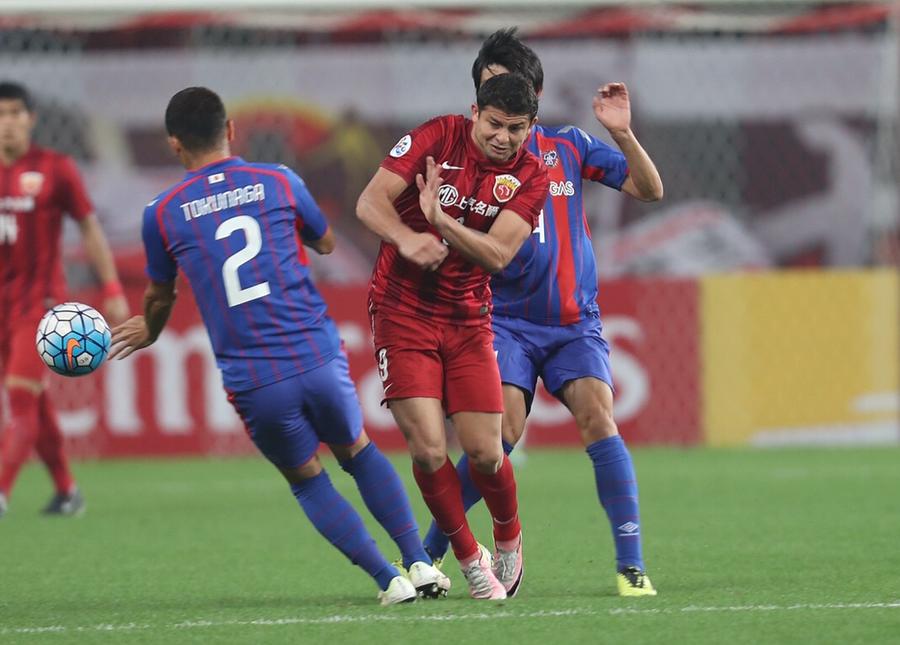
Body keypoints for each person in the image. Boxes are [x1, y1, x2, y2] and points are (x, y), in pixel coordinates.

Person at [109, 87, 448, 605]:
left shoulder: (162, 213)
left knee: (308, 479)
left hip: (255, 378)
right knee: (357, 451)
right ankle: (420, 562)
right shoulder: (279, 180)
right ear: (230, 131)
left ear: (175, 144)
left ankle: (389, 579)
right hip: (315, 354)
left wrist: (150, 330)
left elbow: (160, 294)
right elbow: (326, 241)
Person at [421, 29, 664, 597]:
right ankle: (428, 552)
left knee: (599, 418)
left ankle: (631, 566)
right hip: (503, 321)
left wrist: (623, 134)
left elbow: (650, 189)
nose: (505, 107)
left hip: (574, 321)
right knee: (496, 438)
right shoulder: (465, 164)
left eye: (517, 94)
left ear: (536, 97)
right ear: (477, 103)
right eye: (492, 92)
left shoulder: (570, 147)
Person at [356, 73, 549, 600]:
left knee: (487, 453)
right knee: (427, 448)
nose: (503, 137)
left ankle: (507, 536)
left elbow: (500, 254)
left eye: (515, 128)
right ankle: (467, 561)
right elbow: (369, 203)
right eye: (493, 123)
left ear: (530, 127)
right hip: (401, 311)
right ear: (474, 112)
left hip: (468, 318)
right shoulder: (435, 138)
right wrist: (405, 236)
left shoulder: (531, 174)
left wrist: (439, 222)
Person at [0, 81, 129, 519]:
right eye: (1, 114)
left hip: (40, 306)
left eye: (16, 113)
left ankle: (1, 491)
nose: (8, 123)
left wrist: (110, 287)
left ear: (31, 119)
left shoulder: (56, 168)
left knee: (19, 399)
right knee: (32, 402)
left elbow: (90, 227)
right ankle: (67, 490)